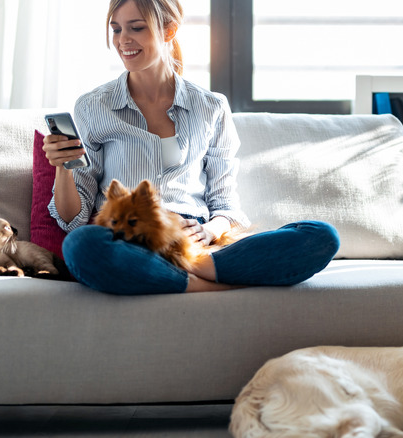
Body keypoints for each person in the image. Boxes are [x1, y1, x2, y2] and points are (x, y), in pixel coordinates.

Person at [42, 0, 339, 295]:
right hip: (127, 240)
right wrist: (61, 168)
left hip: (194, 242)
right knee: (81, 245)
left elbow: (225, 206)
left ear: (169, 30)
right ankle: (207, 283)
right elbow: (73, 219)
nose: (123, 40)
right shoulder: (94, 106)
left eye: (136, 27)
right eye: (116, 29)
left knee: (320, 237)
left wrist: (209, 230)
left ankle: (191, 268)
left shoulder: (211, 107)